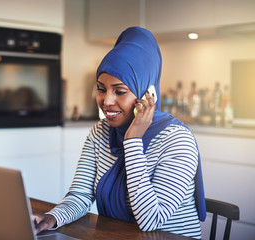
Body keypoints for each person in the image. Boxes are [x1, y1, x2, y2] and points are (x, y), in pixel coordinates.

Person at [32, 26, 206, 239]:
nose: (107, 102)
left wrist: (133, 140)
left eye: (120, 91)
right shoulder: (100, 132)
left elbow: (150, 220)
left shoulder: (177, 140)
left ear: (147, 93)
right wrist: (52, 218)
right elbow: (80, 195)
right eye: (101, 88)